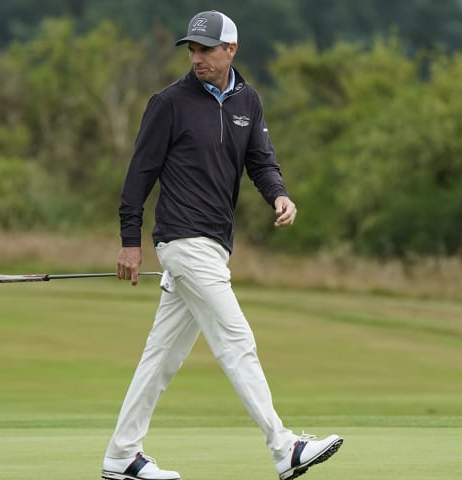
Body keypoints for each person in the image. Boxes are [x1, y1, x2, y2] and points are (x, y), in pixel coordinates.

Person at [102, 10, 343, 480]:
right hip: (183, 240)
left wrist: (279, 194)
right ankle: (284, 446)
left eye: (206, 49)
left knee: (161, 358)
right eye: (191, 49)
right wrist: (130, 241)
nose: (197, 58)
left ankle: (121, 455)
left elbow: (261, 161)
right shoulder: (169, 103)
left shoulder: (247, 101)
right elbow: (139, 175)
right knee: (236, 339)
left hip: (214, 246)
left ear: (230, 49)